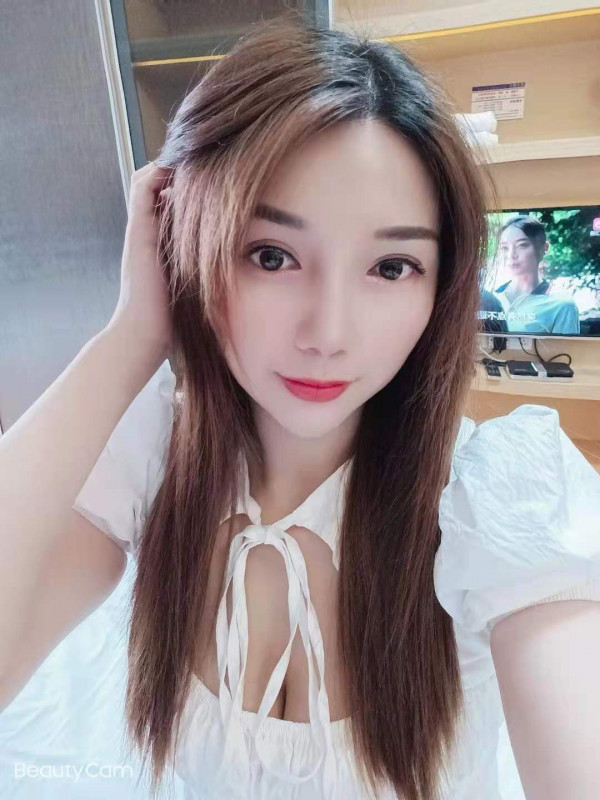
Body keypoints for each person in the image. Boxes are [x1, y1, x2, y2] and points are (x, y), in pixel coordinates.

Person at [1, 13, 599, 800]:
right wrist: (130, 338)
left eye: (392, 267)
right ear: (188, 248)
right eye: (271, 255)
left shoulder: (497, 496)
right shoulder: (153, 453)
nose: (328, 335)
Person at [493, 215, 580, 334]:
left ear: (544, 248)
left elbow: (567, 346)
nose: (511, 255)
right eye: (504, 248)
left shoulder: (562, 305)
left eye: (522, 245)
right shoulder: (490, 298)